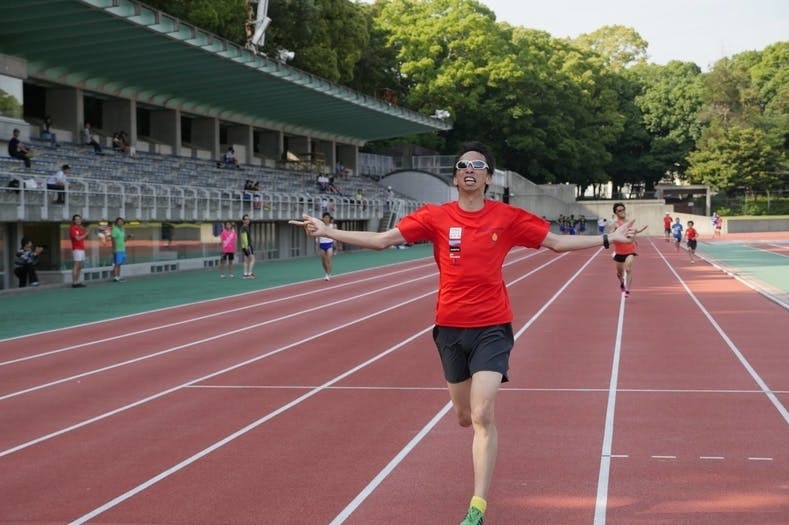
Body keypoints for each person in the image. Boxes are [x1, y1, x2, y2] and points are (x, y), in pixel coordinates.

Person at [290, 142, 636, 525]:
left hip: (492, 327)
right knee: (463, 416)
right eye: (462, 165)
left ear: (489, 178)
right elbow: (382, 240)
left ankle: (477, 507)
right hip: (450, 329)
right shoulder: (435, 216)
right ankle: (471, 436)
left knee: (483, 413)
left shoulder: (506, 217)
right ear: (455, 177)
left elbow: (555, 242)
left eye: (478, 165)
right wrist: (328, 230)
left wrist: (608, 239)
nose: (469, 170)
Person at [608, 202, 647, 296]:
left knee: (628, 268)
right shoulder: (614, 224)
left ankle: (627, 290)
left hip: (630, 250)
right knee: (619, 274)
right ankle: (622, 283)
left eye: (623, 209)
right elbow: (611, 237)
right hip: (619, 251)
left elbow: (632, 232)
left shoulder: (628, 222)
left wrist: (635, 237)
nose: (622, 211)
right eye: (619, 210)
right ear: (615, 213)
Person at [70, 214, 89, 287]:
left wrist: (86, 231)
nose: (78, 220)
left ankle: (77, 281)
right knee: (76, 265)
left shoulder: (81, 228)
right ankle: (74, 282)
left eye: (79, 219)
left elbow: (85, 237)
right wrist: (86, 233)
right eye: (76, 219)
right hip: (76, 249)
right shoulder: (73, 228)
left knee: (80, 266)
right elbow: (78, 238)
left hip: (82, 248)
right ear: (74, 221)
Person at [316, 212, 337, 281]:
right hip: (322, 244)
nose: (326, 219)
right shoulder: (320, 226)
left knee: (328, 260)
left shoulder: (332, 226)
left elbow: (335, 235)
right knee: (323, 261)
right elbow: (318, 235)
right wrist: (317, 242)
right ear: (323, 218)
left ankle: (328, 274)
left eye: (328, 217)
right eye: (325, 217)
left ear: (329, 218)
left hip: (329, 244)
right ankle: (326, 272)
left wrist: (335, 243)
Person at [110, 217, 130, 282]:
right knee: (117, 263)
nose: (120, 223)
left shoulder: (122, 229)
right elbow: (112, 239)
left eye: (121, 222)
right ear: (116, 223)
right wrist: (114, 249)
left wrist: (128, 237)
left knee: (119, 263)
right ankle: (116, 277)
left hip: (122, 249)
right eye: (119, 222)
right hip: (117, 249)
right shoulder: (115, 229)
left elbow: (124, 240)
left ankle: (117, 275)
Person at [240, 214, 256, 279]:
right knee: (253, 259)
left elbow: (242, 237)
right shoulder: (244, 227)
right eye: (246, 219)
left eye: (248, 219)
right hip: (247, 246)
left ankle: (245, 274)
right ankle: (250, 274)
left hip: (244, 246)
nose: (247, 220)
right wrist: (246, 246)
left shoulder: (245, 227)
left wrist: (244, 246)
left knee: (246, 260)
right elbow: (243, 237)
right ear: (243, 221)